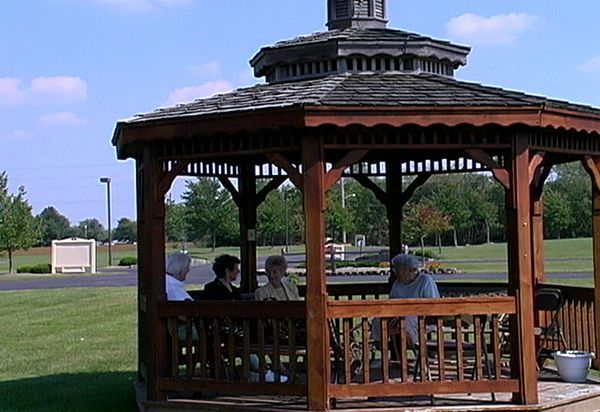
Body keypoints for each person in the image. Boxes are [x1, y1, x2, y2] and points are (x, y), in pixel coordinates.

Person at [372, 253, 439, 346]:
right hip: (399, 316)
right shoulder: (398, 283)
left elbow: (433, 305)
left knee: (406, 321)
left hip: (423, 319)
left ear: (411, 269)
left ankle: (416, 346)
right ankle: (381, 346)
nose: (395, 272)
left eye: (398, 269)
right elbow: (391, 302)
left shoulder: (425, 281)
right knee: (379, 320)